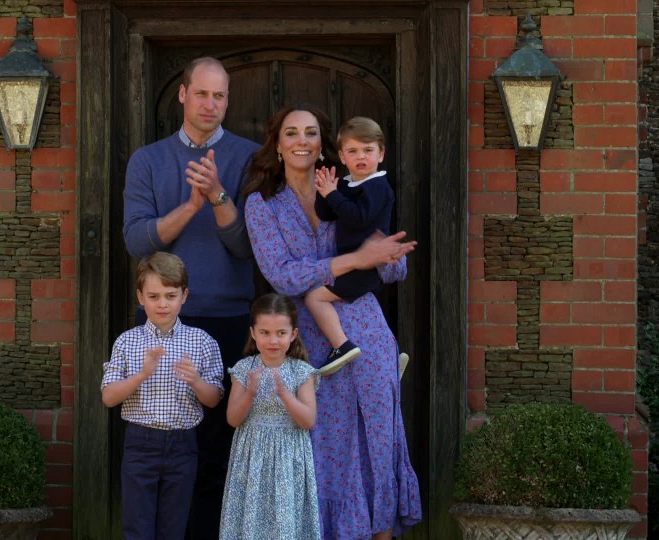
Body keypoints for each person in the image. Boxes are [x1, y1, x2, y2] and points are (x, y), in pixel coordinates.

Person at [242, 105, 422, 539]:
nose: (302, 140)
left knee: (376, 443)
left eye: (310, 133)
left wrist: (384, 258)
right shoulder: (261, 205)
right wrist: (356, 259)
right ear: (278, 145)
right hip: (309, 343)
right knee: (322, 451)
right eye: (291, 133)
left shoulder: (352, 188)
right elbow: (281, 274)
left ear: (322, 145)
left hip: (367, 332)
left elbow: (391, 265)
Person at [122, 56, 260, 538]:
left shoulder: (249, 157)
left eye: (219, 96)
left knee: (221, 445)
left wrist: (219, 197)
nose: (210, 104)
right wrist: (190, 206)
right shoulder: (148, 160)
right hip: (164, 321)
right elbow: (139, 242)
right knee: (166, 446)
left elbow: (247, 246)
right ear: (182, 94)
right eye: (201, 94)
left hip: (228, 318)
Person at [101, 252, 225, 540]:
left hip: (183, 445)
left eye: (170, 295)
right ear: (140, 297)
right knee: (137, 527)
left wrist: (195, 381)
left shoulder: (202, 341)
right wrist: (141, 375)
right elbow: (108, 397)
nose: (162, 304)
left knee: (174, 527)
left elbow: (214, 399)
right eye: (154, 296)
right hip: (140, 443)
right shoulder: (128, 341)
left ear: (184, 296)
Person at [220, 293, 322, 540]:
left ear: (293, 334)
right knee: (251, 518)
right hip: (252, 456)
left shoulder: (301, 371)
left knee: (285, 521)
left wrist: (285, 394)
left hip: (289, 456)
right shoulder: (244, 369)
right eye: (265, 333)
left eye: (280, 333)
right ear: (253, 333)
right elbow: (233, 419)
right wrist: (251, 392)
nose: (273, 340)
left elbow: (308, 420)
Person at [307, 116, 396, 376]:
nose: (361, 157)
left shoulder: (378, 186)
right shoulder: (348, 184)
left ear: (381, 154)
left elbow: (359, 217)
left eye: (368, 150)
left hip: (365, 267)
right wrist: (325, 191)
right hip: (350, 264)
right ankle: (381, 357)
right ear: (343, 157)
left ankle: (341, 346)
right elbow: (327, 214)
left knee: (315, 297)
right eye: (353, 151)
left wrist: (334, 196)